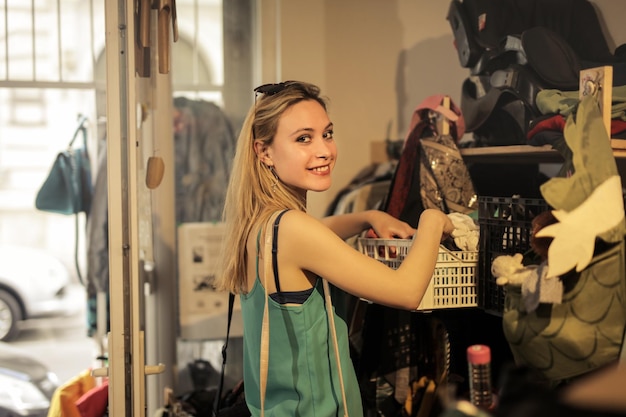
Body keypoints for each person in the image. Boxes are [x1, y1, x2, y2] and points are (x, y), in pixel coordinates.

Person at [215, 80, 454, 416]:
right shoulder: (294, 229)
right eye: (303, 139)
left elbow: (319, 236)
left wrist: (368, 216)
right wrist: (432, 220)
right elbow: (407, 292)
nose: (324, 150)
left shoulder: (262, 226)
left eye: (326, 134)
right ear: (264, 151)